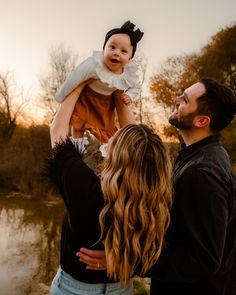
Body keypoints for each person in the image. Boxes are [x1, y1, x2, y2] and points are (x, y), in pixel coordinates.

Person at [77, 78, 236, 295]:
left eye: (185, 99)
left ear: (201, 121)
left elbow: (204, 260)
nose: (176, 99)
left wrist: (128, 260)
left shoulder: (203, 174)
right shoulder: (197, 154)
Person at [48, 82, 173, 295]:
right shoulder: (155, 197)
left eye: (115, 137)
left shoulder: (88, 192)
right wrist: (117, 90)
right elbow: (140, 149)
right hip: (121, 287)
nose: (112, 133)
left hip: (73, 290)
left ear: (116, 154)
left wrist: (79, 85)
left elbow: (57, 132)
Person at [54, 20, 143, 143]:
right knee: (78, 125)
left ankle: (111, 155)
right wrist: (60, 96)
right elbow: (75, 77)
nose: (116, 53)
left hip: (105, 104)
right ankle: (78, 149)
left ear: (129, 59)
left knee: (107, 133)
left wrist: (129, 95)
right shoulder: (94, 64)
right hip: (86, 97)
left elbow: (136, 86)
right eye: (112, 47)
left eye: (123, 51)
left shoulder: (128, 74)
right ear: (103, 50)